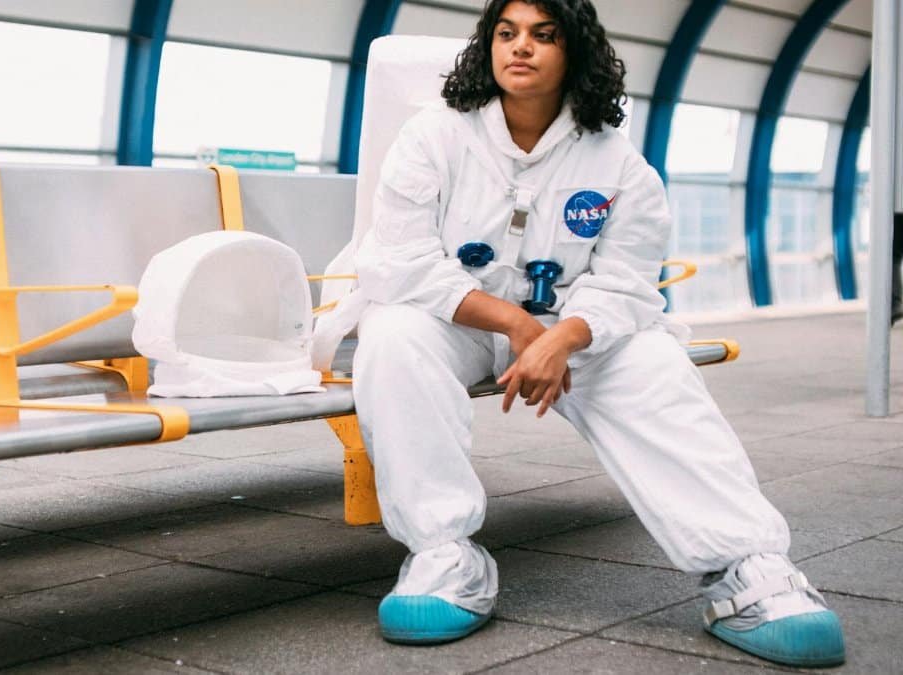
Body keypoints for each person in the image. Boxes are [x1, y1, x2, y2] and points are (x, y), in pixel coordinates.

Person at [351, 0, 846, 667]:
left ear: (573, 52)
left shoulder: (617, 163)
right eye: (506, 33)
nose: (520, 48)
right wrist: (518, 324)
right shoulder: (432, 137)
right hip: (457, 319)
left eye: (542, 35)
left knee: (655, 364)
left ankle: (749, 569)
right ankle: (444, 557)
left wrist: (563, 336)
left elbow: (628, 280)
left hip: (572, 328)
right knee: (392, 338)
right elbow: (402, 263)